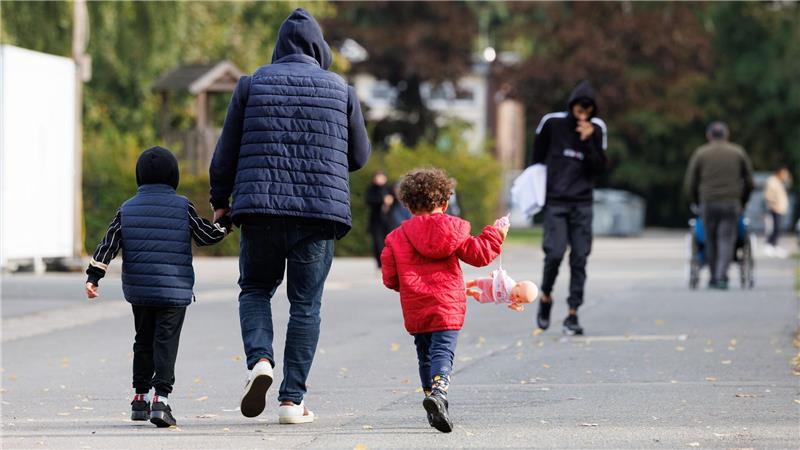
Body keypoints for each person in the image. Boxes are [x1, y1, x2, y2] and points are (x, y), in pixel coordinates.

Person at [209, 8, 370, 424]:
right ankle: (291, 402)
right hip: (318, 215)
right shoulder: (341, 90)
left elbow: (225, 150)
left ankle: (260, 361)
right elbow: (359, 157)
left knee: (256, 289)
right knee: (306, 306)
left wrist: (220, 200)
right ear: (320, 49)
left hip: (260, 210)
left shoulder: (251, 84)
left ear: (279, 47)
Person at [84, 146, 230, 428]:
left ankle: (139, 398)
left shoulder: (126, 208)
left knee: (143, 340)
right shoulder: (182, 205)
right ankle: (160, 400)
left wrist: (94, 276)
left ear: (140, 176)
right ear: (173, 176)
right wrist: (225, 222)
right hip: (174, 290)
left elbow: (108, 244)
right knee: (165, 342)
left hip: (139, 290)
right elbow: (205, 235)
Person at [380, 168, 507, 433]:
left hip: (416, 306)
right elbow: (479, 255)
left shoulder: (396, 237)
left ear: (408, 204)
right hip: (447, 304)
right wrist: (496, 234)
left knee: (425, 353)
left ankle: (432, 399)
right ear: (445, 202)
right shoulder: (453, 229)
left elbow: (390, 279)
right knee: (442, 351)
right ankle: (438, 394)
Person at [529, 80, 607, 336]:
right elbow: (537, 158)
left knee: (580, 258)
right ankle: (546, 296)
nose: (583, 113)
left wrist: (588, 141)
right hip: (557, 201)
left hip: (582, 203)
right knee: (554, 253)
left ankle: (573, 313)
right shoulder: (553, 124)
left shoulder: (596, 129)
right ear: (572, 105)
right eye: (579, 107)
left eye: (588, 109)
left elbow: (599, 168)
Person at [684, 121, 754, 289]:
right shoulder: (738, 152)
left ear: (709, 136)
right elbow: (750, 182)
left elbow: (690, 182)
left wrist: (695, 201)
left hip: (707, 202)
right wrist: (742, 200)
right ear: (726, 135)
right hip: (731, 202)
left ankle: (714, 276)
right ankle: (721, 276)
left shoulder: (701, 153)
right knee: (726, 238)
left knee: (710, 239)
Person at [365, 171, 391, 267]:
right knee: (378, 243)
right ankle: (380, 263)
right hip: (376, 221)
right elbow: (368, 201)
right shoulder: (371, 189)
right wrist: (381, 200)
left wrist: (391, 200)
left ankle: (389, 262)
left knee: (389, 242)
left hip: (389, 221)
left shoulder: (389, 188)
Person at [763, 165, 790, 258]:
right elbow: (768, 195)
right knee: (774, 228)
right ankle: (769, 246)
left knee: (778, 229)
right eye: (784, 173)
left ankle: (774, 245)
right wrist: (774, 205)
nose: (786, 176)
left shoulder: (780, 182)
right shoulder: (772, 181)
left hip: (780, 209)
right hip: (775, 209)